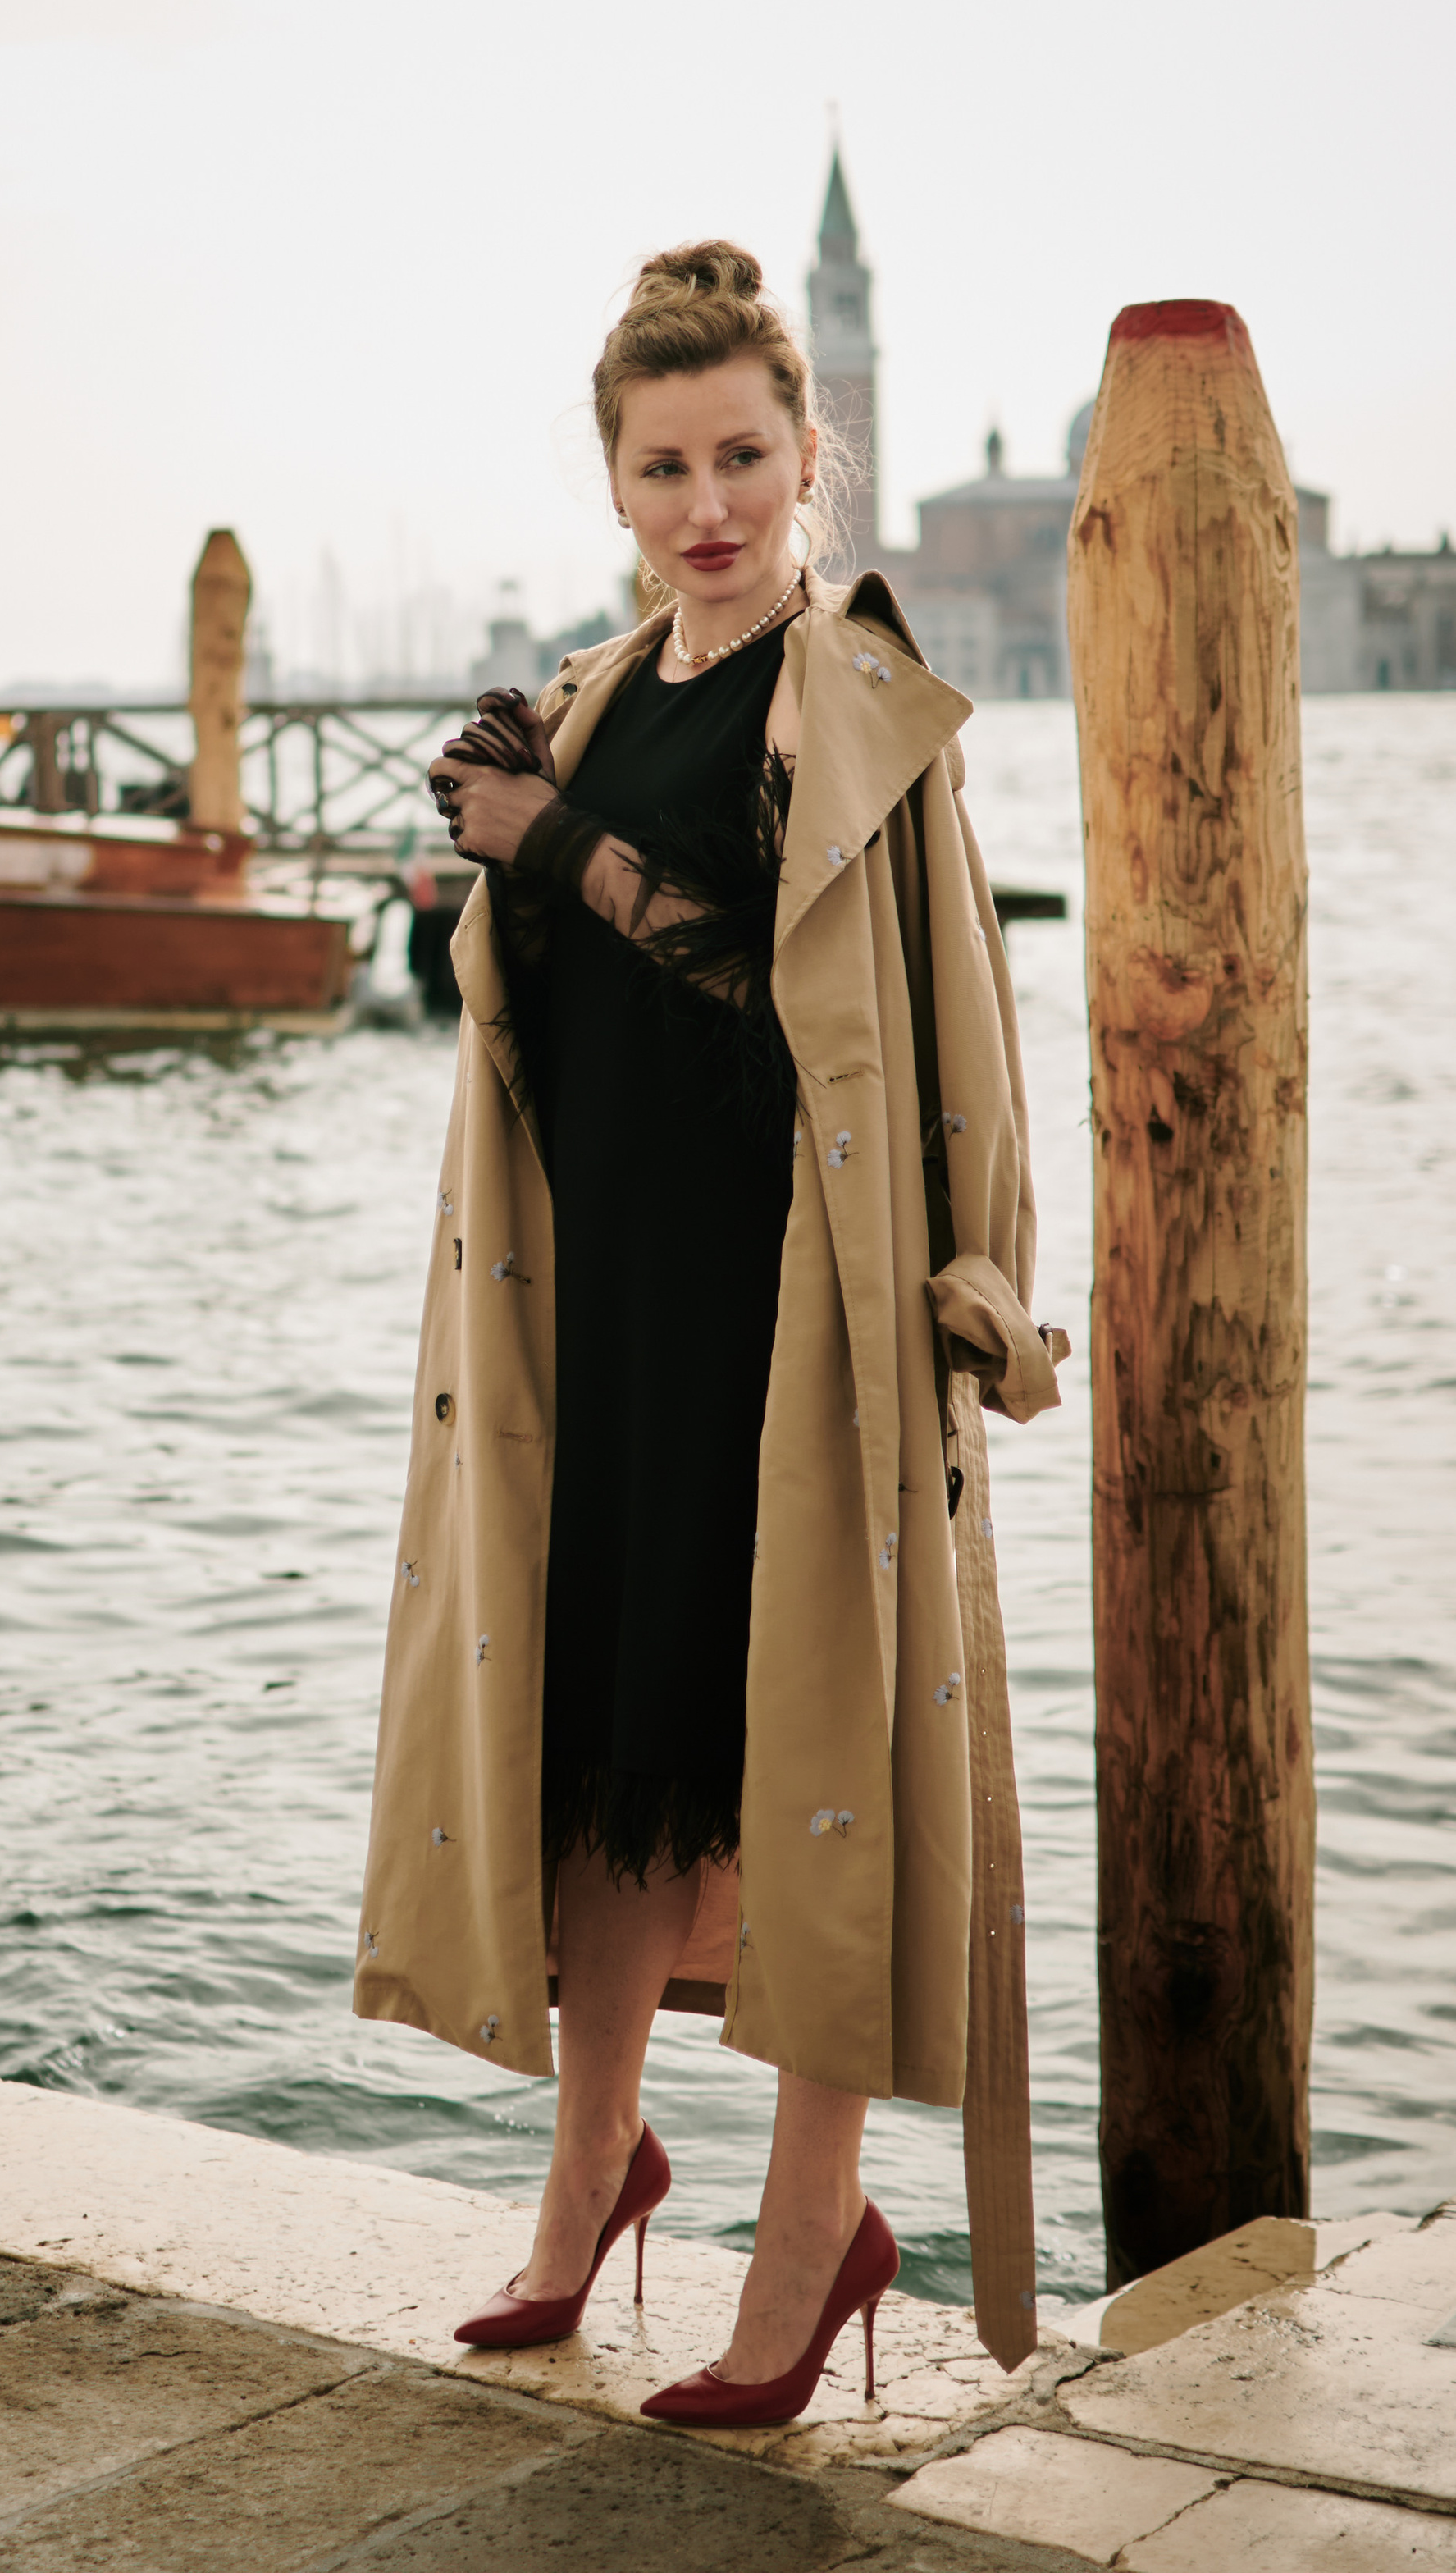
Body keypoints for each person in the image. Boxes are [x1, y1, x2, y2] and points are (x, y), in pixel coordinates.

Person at [353, 241, 1066, 2426]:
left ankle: (808, 2241)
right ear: (617, 478)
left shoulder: (850, 702)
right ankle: (585, 2194)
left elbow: (822, 1028)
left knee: (805, 1776)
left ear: (809, 453)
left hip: (795, 1326)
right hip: (605, 1328)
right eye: (665, 465)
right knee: (598, 1762)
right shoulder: (583, 693)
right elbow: (554, 1021)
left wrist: (555, 853)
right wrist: (481, 888)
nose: (710, 502)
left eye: (746, 455)